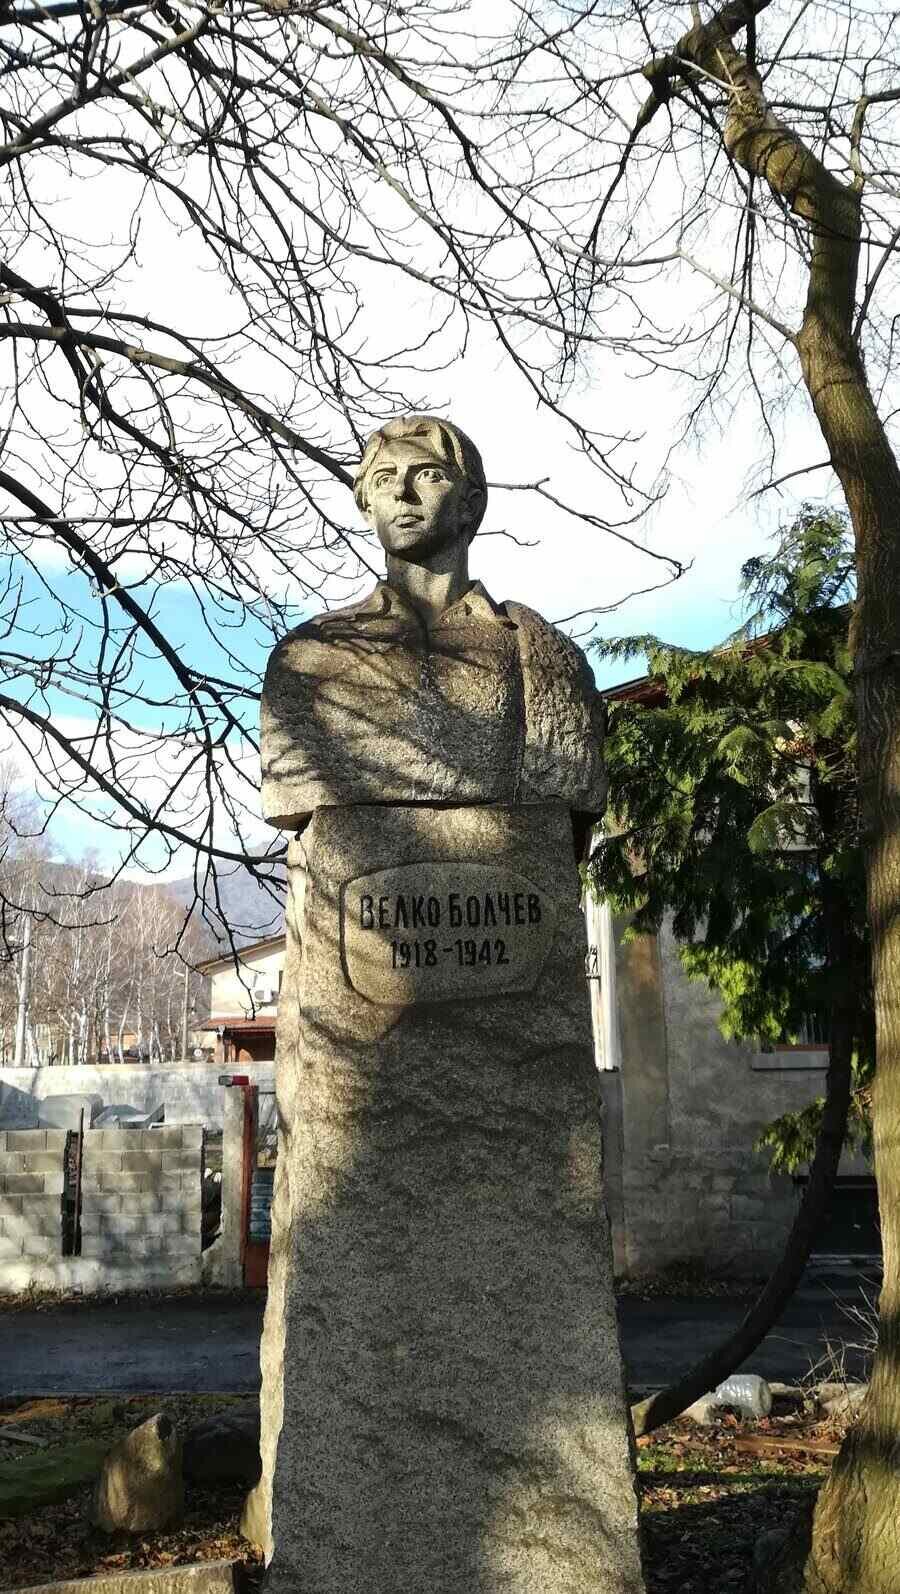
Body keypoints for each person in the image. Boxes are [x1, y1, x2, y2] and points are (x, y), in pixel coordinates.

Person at [261, 414, 605, 849]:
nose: (402, 493)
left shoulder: (541, 656)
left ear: (470, 504)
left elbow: (568, 786)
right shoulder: (306, 658)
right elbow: (291, 793)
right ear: (367, 508)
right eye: (384, 479)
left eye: (428, 475)